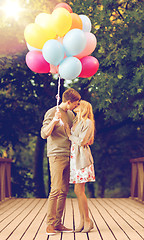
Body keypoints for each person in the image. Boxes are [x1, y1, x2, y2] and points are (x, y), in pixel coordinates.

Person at [41, 88, 81, 235]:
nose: (76, 106)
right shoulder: (52, 112)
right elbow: (44, 134)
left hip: (68, 155)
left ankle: (58, 223)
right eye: (75, 104)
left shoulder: (70, 114)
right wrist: (54, 121)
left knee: (64, 191)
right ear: (68, 102)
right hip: (56, 155)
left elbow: (73, 134)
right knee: (56, 189)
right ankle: (49, 225)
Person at [65, 100, 95, 233]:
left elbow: (82, 141)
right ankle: (83, 221)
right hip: (74, 157)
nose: (76, 106)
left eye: (78, 105)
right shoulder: (76, 121)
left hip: (82, 158)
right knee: (77, 191)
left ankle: (87, 220)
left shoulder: (88, 122)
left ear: (83, 108)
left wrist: (70, 135)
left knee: (79, 190)